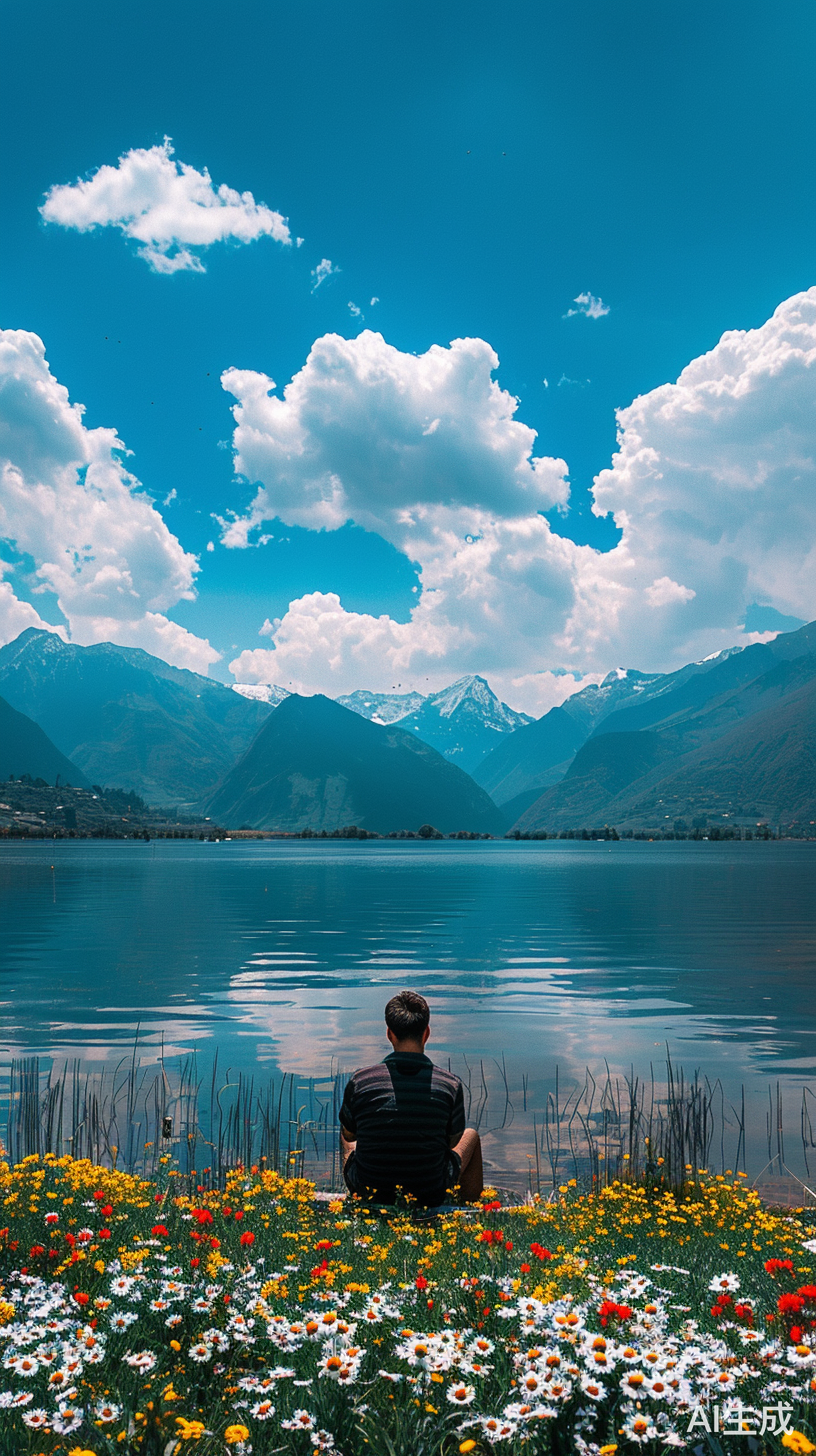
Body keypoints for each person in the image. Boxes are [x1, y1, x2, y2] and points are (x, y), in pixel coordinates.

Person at [339, 990, 484, 1206]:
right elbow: (452, 1141)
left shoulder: (360, 1081)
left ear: (389, 1034)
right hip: (430, 1191)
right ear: (427, 1033)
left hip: (370, 1190)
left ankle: (360, 1201)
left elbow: (350, 1136)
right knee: (470, 1136)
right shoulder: (449, 1084)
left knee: (346, 1136)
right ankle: (468, 1208)